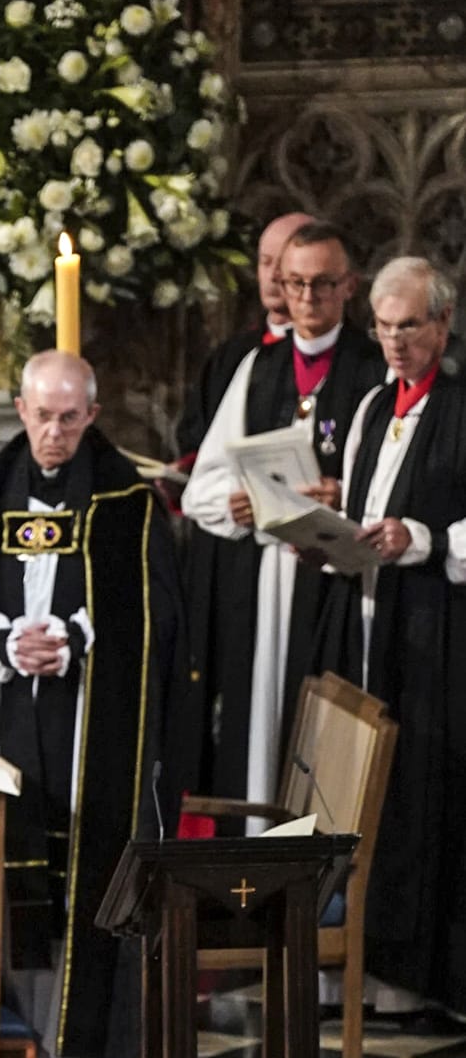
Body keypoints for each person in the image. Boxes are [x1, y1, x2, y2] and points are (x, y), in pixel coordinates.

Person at [0, 350, 184, 1058]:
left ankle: (90, 1057)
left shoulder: (125, 500)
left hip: (91, 721)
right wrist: (6, 642)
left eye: (69, 418)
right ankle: (21, 1044)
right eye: (42, 416)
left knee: (89, 863)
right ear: (20, 409)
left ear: (92, 417)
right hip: (15, 708)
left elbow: (157, 614)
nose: (54, 433)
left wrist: (78, 639)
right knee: (24, 864)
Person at [181, 219, 383, 805]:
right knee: (258, 726)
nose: (306, 299)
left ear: (350, 286)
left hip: (336, 580)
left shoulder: (372, 369)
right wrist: (234, 505)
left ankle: (324, 872)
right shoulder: (257, 368)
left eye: (322, 285)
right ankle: (257, 860)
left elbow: (401, 489)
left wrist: (345, 495)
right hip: (262, 581)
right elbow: (203, 486)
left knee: (326, 737)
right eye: (294, 284)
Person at [313, 256, 466, 1012]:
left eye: (411, 326)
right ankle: (365, 967)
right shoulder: (375, 405)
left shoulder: (462, 406)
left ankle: (422, 979)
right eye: (385, 326)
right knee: (368, 792)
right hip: (368, 625)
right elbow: (371, 502)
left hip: (438, 638)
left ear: (442, 324)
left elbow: (426, 525)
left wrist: (428, 540)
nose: (396, 341)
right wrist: (329, 517)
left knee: (424, 795)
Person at [175, 210, 313, 466]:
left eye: (282, 264)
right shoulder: (233, 354)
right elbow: (195, 436)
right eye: (265, 262)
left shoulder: (336, 355)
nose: (272, 276)